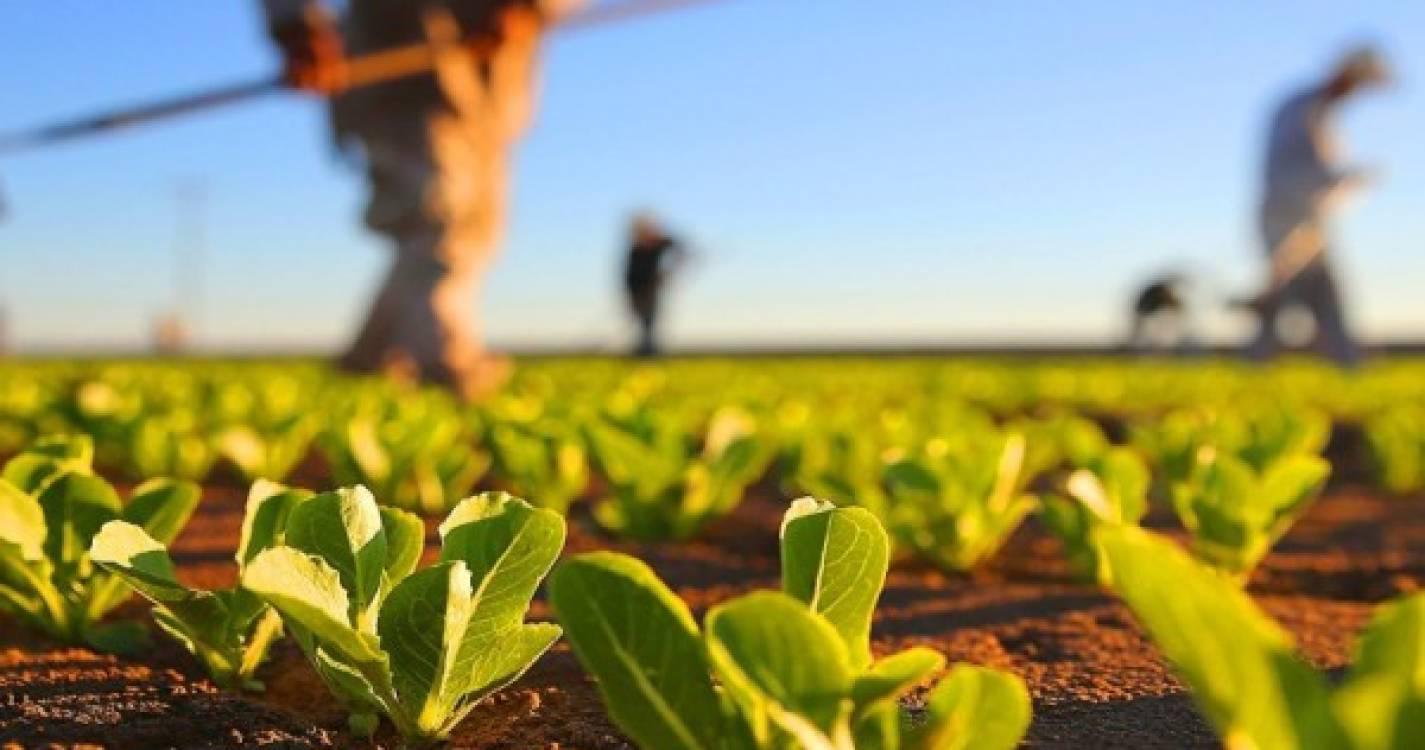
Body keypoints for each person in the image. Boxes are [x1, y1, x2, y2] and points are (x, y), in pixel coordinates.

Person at [261, 0, 584, 398]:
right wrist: (296, 25)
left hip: (490, 82)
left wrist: (530, 6)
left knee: (477, 231)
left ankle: (366, 361)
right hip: (398, 65)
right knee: (439, 219)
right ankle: (445, 363)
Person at [1246, 46, 1390, 367]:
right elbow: (1293, 171)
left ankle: (1346, 366)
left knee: (1321, 298)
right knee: (1285, 298)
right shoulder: (1302, 109)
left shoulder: (1320, 111)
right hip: (1286, 218)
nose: (1356, 93)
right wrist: (1349, 176)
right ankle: (1258, 367)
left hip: (1308, 222)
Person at [623, 213, 688, 356]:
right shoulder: (636, 251)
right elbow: (630, 277)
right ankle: (645, 351)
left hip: (652, 291)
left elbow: (680, 248)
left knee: (650, 322)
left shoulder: (659, 244)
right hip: (637, 292)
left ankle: (648, 352)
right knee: (644, 323)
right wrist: (635, 293)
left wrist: (669, 270)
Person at [1127, 273, 1192, 352]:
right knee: (1142, 333)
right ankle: (1137, 350)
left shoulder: (1160, 290)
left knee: (1162, 326)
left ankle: (1157, 348)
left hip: (1149, 311)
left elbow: (1173, 304)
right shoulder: (1160, 291)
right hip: (1144, 310)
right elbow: (1171, 302)